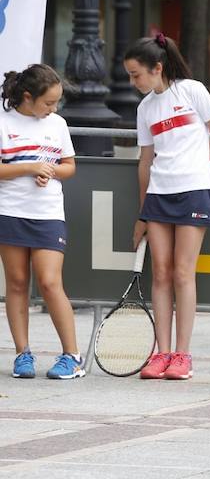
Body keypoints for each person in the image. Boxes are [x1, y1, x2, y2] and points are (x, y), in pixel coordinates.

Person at [127, 34, 210, 380]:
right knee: (160, 273)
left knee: (183, 273)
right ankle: (162, 353)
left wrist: (195, 164)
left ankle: (183, 355)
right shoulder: (145, 108)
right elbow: (146, 161)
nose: (133, 81)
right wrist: (142, 212)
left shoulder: (192, 90)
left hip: (193, 192)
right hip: (158, 197)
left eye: (136, 74)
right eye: (129, 75)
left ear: (157, 68)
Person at [0, 64, 83, 380]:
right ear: (27, 97)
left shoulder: (58, 124)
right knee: (17, 283)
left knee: (49, 282)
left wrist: (50, 170)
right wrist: (30, 167)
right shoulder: (4, 123)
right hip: (10, 211)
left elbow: (69, 167)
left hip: (48, 213)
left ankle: (72, 356)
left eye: (57, 102)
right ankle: (23, 354)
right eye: (48, 102)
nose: (54, 108)